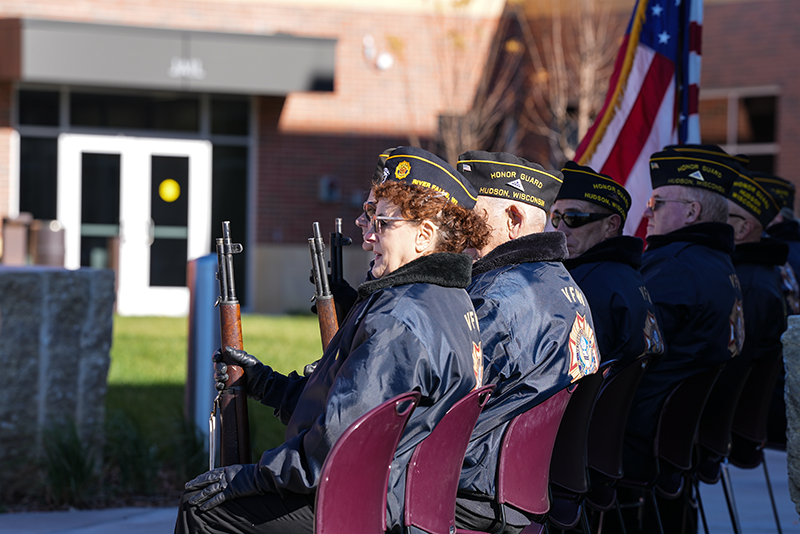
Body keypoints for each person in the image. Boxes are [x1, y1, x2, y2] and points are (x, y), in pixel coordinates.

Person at [174, 146, 491, 534]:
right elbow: (346, 407)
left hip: (362, 502)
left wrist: (247, 477)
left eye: (383, 222)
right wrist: (268, 384)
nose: (368, 235)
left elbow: (334, 451)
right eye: (368, 215)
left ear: (424, 236)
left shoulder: (397, 320)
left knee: (202, 509)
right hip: (399, 496)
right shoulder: (449, 300)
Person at [453, 151, 600, 534]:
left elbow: (437, 403)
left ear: (514, 221)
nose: (456, 227)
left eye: (469, 215)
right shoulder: (565, 285)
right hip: (521, 492)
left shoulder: (495, 299)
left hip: (470, 490)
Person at [619, 144, 745, 533]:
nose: (646, 212)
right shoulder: (717, 263)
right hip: (676, 443)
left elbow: (625, 349)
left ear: (692, 212)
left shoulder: (675, 266)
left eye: (656, 203)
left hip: (636, 438)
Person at [696, 168, 788, 470]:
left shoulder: (750, 286)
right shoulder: (754, 274)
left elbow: (726, 376)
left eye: (725, 218)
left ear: (746, 227)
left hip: (724, 425)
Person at [551, 161, 664, 373]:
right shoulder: (628, 274)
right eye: (557, 217)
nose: (561, 230)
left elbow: (567, 380)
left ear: (611, 225)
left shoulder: (584, 286)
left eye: (575, 218)